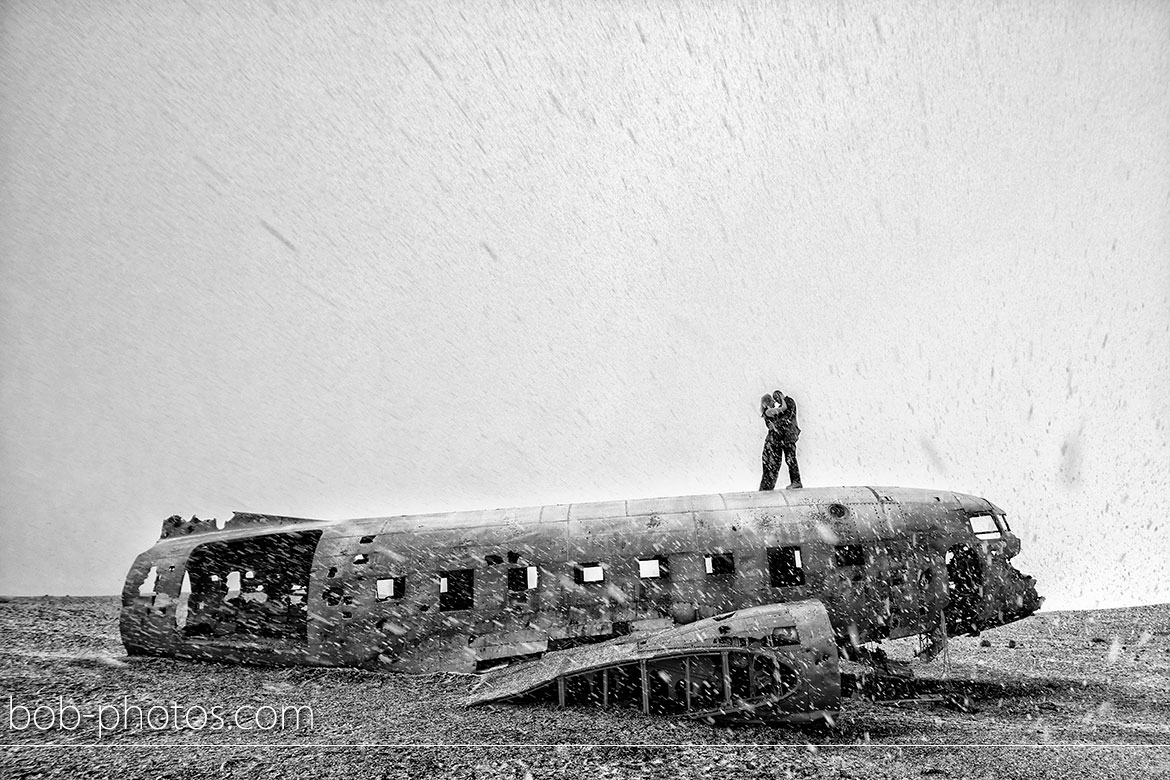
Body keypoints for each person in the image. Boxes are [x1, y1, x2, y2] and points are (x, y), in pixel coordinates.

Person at [759, 389, 802, 490]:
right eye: (773, 400)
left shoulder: (786, 404)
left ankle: (767, 488)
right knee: (773, 466)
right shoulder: (769, 411)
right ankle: (794, 482)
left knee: (775, 465)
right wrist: (782, 399)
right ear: (768, 402)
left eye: (776, 399)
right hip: (774, 441)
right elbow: (784, 408)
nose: (775, 402)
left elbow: (786, 415)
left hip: (778, 441)